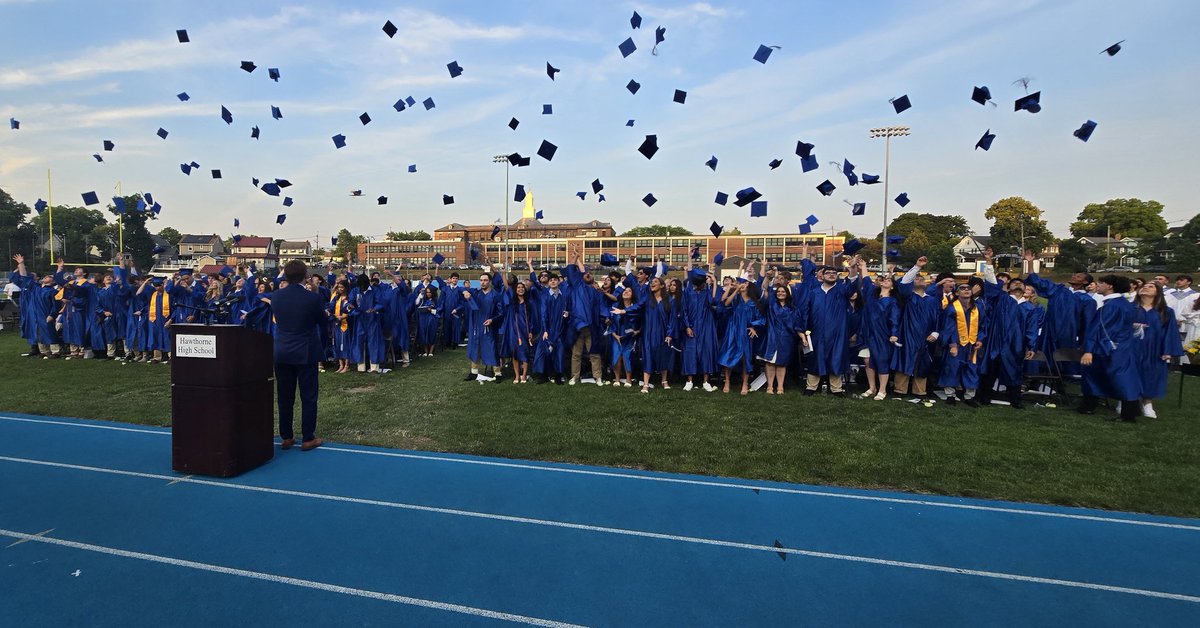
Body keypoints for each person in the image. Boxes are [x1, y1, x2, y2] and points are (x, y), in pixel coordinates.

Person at [271, 260, 327, 451]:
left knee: (284, 396)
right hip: (305, 350)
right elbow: (322, 321)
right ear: (305, 276)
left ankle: (286, 436)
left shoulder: (276, 296)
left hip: (282, 350)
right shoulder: (312, 298)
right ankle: (308, 437)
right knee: (308, 396)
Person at [1078, 275, 1140, 421]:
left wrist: (1089, 350)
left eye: (1101, 283)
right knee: (1123, 377)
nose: (1097, 285)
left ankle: (1092, 406)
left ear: (1110, 286)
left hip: (1108, 348)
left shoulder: (1112, 306)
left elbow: (1099, 329)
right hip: (1123, 346)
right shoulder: (1124, 304)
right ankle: (1129, 411)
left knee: (1106, 376)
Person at [802, 259, 859, 396]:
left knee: (836, 358)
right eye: (828, 272)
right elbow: (805, 311)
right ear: (822, 275)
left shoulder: (841, 290)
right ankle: (811, 387)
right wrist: (804, 331)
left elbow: (852, 286)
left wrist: (853, 268)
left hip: (837, 332)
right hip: (817, 331)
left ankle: (836, 388)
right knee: (815, 357)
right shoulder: (813, 292)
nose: (832, 274)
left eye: (834, 273)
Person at [1132, 282, 1184, 418]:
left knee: (1152, 374)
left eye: (1150, 287)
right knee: (1130, 372)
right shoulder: (1131, 308)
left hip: (1154, 348)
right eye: (1143, 286)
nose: (1145, 288)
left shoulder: (1166, 312)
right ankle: (1126, 400)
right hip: (1132, 346)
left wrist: (1167, 350)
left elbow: (1170, 332)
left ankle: (1147, 403)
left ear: (1158, 292)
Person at [857, 259, 900, 400]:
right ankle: (872, 387)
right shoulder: (871, 296)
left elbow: (894, 319)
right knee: (867, 361)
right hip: (867, 333)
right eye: (884, 280)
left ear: (892, 286)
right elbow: (867, 280)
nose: (885, 281)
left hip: (882, 334)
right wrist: (863, 266)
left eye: (888, 281)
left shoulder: (892, 302)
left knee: (881, 361)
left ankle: (882, 390)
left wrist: (894, 334)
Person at [938, 283, 987, 405]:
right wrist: (952, 344)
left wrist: (980, 339)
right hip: (957, 344)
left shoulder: (978, 307)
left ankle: (969, 396)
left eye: (968, 288)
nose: (966, 290)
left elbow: (983, 326)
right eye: (962, 288)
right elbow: (949, 328)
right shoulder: (951, 308)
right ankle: (950, 395)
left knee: (972, 369)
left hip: (972, 344)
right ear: (957, 293)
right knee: (952, 368)